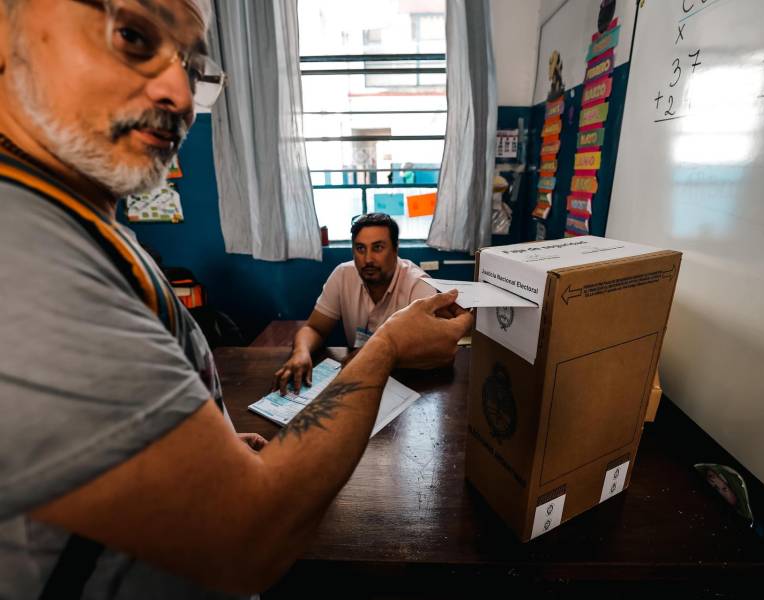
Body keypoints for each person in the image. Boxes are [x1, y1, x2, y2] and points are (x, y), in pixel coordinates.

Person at [0, 1, 473, 598]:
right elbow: (245, 536)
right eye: (132, 35)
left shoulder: (82, 228)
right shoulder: (28, 258)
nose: (179, 90)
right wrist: (385, 348)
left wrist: (211, 443)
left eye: (195, 67)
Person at [273, 212, 435, 395]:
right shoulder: (343, 275)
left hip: (407, 385)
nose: (368, 259)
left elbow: (436, 352)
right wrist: (301, 352)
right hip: (358, 383)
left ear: (395, 249)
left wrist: (376, 355)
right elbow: (314, 328)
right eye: (360, 248)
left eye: (378, 248)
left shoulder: (419, 285)